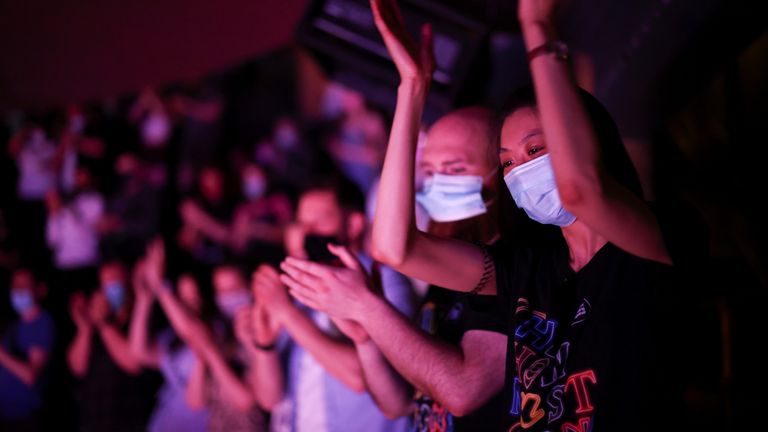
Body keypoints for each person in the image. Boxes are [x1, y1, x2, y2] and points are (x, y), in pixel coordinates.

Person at [298, 0, 701, 430]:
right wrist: (412, 88)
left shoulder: (652, 241)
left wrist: (538, 26)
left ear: (588, 141)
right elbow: (395, 248)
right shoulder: (527, 268)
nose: (521, 170)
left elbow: (582, 191)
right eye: (508, 161)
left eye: (534, 149)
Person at [280, 105, 515, 430]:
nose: (436, 185)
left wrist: (368, 307)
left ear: (502, 169)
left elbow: (460, 392)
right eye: (429, 173)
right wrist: (365, 339)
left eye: (454, 168)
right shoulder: (445, 273)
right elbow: (400, 403)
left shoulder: (509, 262)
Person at [247, 176, 416, 432]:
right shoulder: (296, 285)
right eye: (302, 223)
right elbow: (269, 399)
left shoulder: (382, 279)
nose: (308, 233)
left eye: (320, 221)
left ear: (354, 223)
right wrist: (263, 342)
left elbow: (364, 377)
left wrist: (288, 315)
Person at [139, 241, 265, 432]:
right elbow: (195, 401)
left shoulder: (260, 332)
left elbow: (245, 400)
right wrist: (202, 355)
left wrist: (209, 351)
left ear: (250, 288)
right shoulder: (221, 333)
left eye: (233, 289)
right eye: (222, 291)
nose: (228, 298)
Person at [67, 260, 153, 432]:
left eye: (114, 280)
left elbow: (134, 363)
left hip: (128, 422)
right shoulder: (95, 324)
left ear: (128, 281)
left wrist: (104, 325)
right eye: (104, 283)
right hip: (92, 421)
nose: (109, 287)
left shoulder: (141, 319)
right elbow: (77, 368)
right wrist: (85, 329)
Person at [129, 266, 210, 432]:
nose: (188, 306)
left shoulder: (215, 332)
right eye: (183, 299)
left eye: (194, 298)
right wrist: (143, 300)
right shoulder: (172, 337)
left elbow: (191, 332)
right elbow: (139, 352)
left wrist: (160, 286)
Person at [0, 269, 54, 431]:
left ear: (40, 290)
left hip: (26, 417)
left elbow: (30, 375)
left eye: (24, 286)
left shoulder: (42, 323)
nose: (18, 291)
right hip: (6, 415)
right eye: (15, 286)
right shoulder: (13, 326)